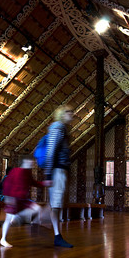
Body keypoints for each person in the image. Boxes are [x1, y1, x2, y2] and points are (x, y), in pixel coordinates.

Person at [0, 155, 49, 248]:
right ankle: (3, 239)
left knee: (37, 209)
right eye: (32, 162)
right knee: (7, 219)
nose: (33, 164)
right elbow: (7, 184)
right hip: (13, 199)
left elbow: (33, 182)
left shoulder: (28, 173)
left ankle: (18, 217)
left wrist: (44, 184)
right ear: (25, 162)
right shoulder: (15, 171)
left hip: (23, 199)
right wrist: (8, 198)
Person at [44, 105, 74, 248]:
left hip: (60, 170)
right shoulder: (57, 127)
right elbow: (51, 151)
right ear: (62, 114)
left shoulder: (63, 129)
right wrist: (49, 174)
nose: (72, 114)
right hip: (56, 171)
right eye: (69, 112)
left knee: (57, 204)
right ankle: (57, 236)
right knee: (55, 204)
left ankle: (57, 234)